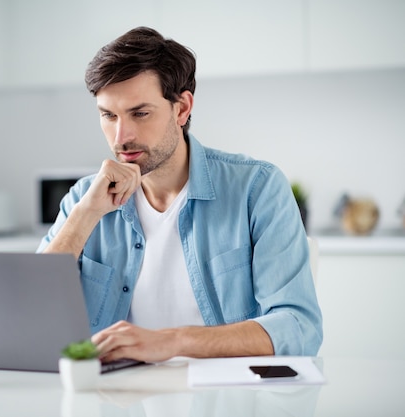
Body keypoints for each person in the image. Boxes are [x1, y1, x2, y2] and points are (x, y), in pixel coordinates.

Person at [37, 26, 322, 363]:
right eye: (108, 115)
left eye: (140, 113)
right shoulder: (86, 198)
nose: (121, 136)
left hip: (227, 398)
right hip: (116, 398)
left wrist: (173, 341)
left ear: (182, 108)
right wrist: (86, 216)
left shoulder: (256, 189)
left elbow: (299, 327)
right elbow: (31, 309)